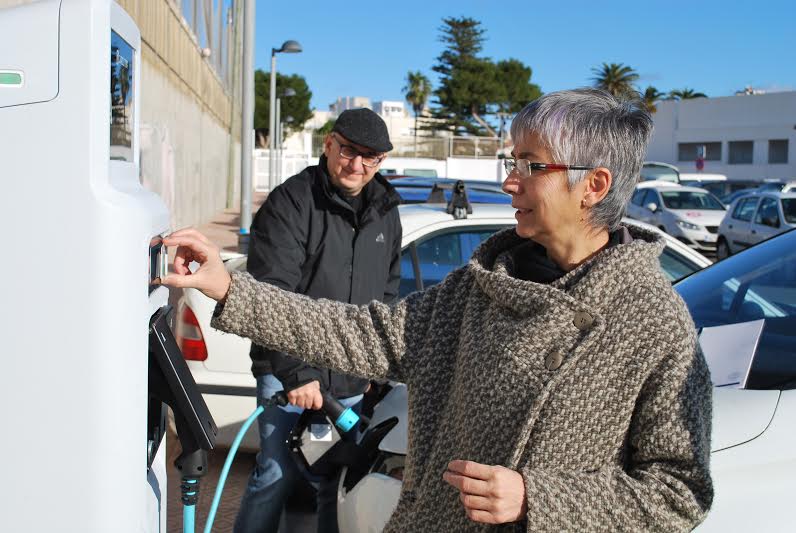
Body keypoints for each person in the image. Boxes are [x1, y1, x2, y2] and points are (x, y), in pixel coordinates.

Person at [164, 88, 713, 531]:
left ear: (593, 185)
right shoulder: (477, 289)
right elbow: (368, 333)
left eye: (531, 164)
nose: (509, 179)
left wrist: (536, 497)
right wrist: (230, 288)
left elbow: (677, 492)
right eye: (512, 159)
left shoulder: (655, 325)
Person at [233, 108, 402, 533]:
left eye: (370, 157)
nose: (357, 164)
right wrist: (297, 374)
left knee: (333, 478)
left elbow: (386, 293)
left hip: (348, 378)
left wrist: (372, 367)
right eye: (348, 150)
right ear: (328, 143)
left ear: (381, 161)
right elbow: (271, 295)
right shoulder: (291, 202)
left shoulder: (386, 211)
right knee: (276, 474)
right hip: (290, 375)